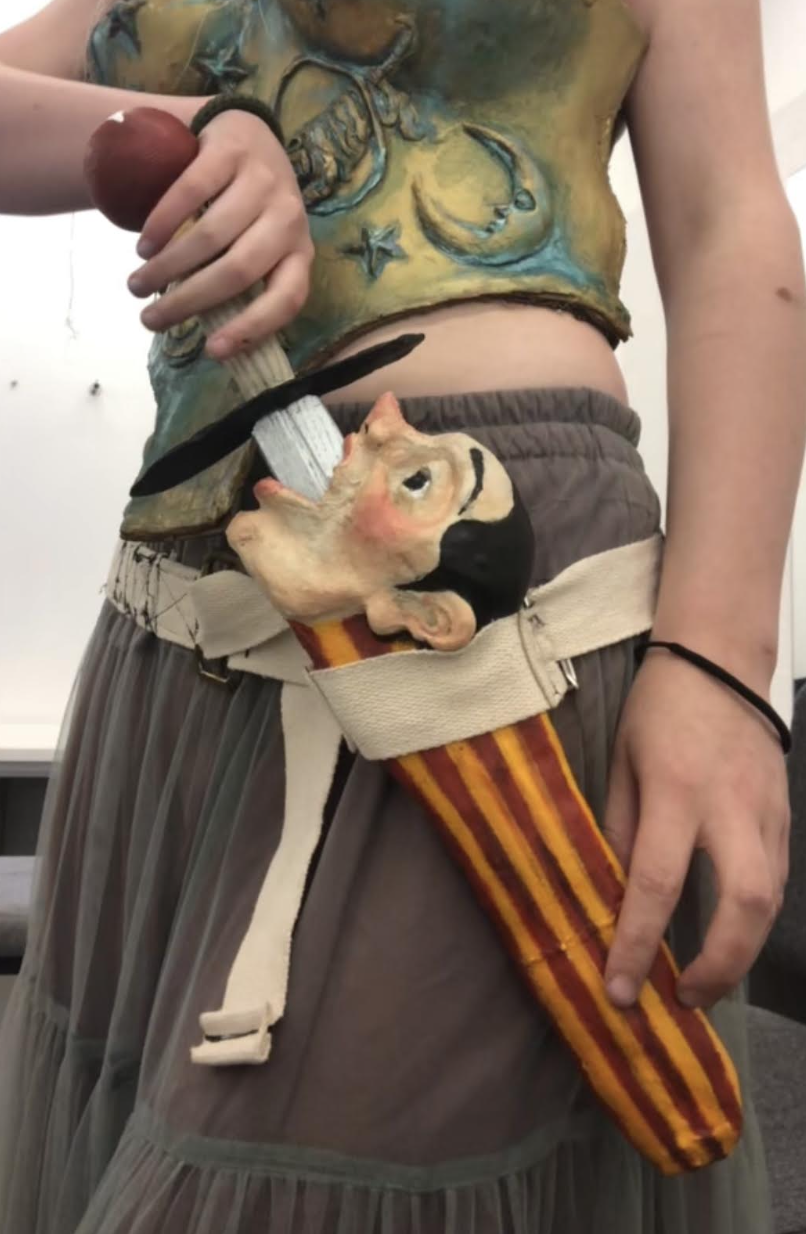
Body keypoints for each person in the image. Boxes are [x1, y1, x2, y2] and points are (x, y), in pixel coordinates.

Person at [0, 0, 803, 1230]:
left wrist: (718, 657)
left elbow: (726, 220)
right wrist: (193, 123)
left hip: (487, 606)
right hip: (178, 628)